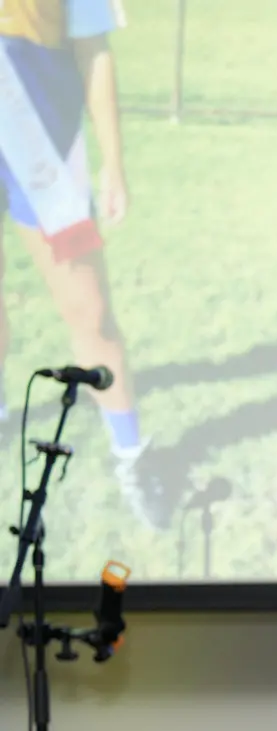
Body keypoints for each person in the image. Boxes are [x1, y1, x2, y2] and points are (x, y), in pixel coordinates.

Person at [0, 0, 166, 529]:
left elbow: (95, 51)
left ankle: (131, 456)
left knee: (90, 313)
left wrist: (113, 163)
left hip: (39, 138)